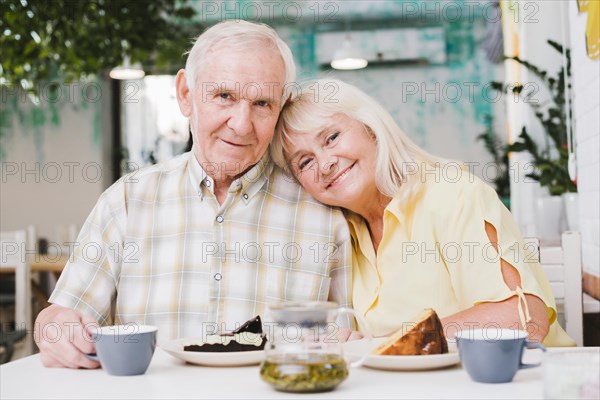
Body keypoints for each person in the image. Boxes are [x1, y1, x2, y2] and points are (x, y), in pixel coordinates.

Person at [34, 22, 352, 369]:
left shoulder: (324, 213)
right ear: (186, 94)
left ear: (281, 108)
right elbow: (63, 316)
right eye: (224, 96)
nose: (241, 124)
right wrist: (55, 329)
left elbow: (350, 339)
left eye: (262, 103)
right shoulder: (126, 201)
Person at [270, 79, 575, 346]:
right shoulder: (341, 233)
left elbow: (523, 320)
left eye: (332, 137)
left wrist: (392, 342)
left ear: (371, 129)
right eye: (305, 162)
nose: (325, 164)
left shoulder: (453, 195)